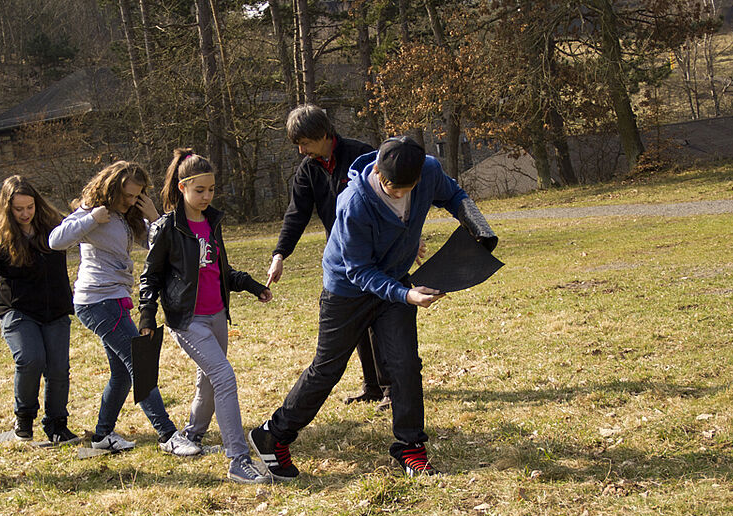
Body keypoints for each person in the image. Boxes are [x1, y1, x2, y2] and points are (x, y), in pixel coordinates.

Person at [250, 136, 498, 479]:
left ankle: (410, 446)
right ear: (378, 172)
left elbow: (453, 194)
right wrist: (407, 295)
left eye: (408, 189)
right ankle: (273, 435)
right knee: (327, 370)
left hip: (394, 279)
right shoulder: (354, 202)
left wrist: (477, 225)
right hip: (347, 291)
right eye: (394, 189)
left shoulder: (427, 170)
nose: (400, 196)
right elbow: (359, 270)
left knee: (405, 364)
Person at [139, 149, 273, 484]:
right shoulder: (167, 227)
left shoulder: (212, 222)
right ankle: (238, 460)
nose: (206, 196)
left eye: (211, 189)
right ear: (182, 187)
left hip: (217, 315)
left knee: (209, 381)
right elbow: (150, 276)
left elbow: (219, 269)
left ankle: (192, 435)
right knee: (224, 377)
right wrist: (146, 315)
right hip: (187, 320)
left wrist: (251, 285)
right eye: (199, 190)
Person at [49, 161, 200, 455]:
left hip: (116, 299)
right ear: (111, 188)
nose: (130, 201)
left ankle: (102, 435)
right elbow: (56, 240)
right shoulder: (93, 211)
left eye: (136, 196)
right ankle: (167, 435)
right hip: (96, 301)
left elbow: (161, 246)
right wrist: (92, 219)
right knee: (140, 365)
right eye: (126, 195)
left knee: (121, 373)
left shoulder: (128, 217)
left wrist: (154, 217)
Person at [265, 104, 392, 410]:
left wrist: (406, 238)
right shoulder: (308, 170)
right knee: (355, 320)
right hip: (342, 258)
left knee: (380, 322)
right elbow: (296, 215)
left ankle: (391, 388)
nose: (301, 150)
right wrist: (280, 254)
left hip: (376, 253)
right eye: (297, 144)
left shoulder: (363, 155)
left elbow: (390, 198)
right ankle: (372, 386)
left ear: (323, 134)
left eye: (305, 143)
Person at [0, 176, 76, 444]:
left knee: (58, 369)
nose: (25, 214)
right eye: (18, 209)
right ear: (7, 208)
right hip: (17, 309)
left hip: (56, 308)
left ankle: (57, 424)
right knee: (30, 359)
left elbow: (81, 228)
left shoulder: (54, 226)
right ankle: (24, 417)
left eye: (30, 207)